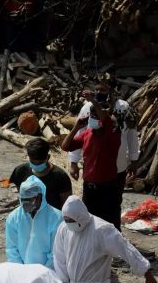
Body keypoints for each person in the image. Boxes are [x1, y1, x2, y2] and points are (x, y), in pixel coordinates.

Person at [69, 81, 141, 220]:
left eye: (103, 89)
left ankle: (112, 235)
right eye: (96, 89)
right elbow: (79, 134)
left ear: (111, 90)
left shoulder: (123, 108)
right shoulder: (87, 108)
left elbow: (132, 133)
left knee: (113, 205)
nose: (99, 93)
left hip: (118, 168)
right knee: (91, 208)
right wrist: (73, 162)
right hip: (94, 168)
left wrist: (134, 159)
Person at [61, 82, 122, 229]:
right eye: (91, 115)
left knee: (110, 223)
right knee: (90, 223)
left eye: (96, 116)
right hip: (89, 187)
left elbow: (104, 118)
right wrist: (76, 127)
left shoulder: (111, 134)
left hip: (107, 187)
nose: (93, 118)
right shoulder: (87, 134)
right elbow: (65, 146)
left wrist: (93, 101)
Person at [9, 138, 72, 210]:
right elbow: (22, 195)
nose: (36, 165)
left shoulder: (60, 177)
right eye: (33, 162)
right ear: (28, 157)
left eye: (40, 163)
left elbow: (66, 204)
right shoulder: (20, 171)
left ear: (48, 157)